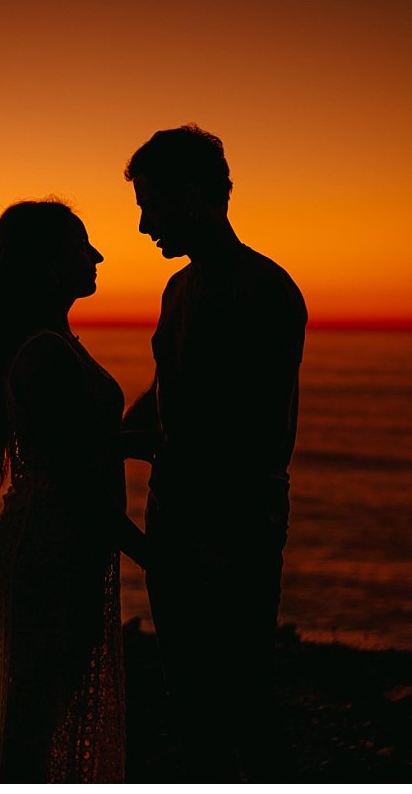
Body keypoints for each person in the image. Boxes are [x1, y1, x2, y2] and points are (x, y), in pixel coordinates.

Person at [122, 125, 307, 781]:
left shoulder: (265, 291)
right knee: (189, 702)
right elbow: (166, 392)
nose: (144, 226)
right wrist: (106, 435)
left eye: (151, 205)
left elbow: (247, 431)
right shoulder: (179, 291)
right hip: (174, 522)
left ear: (198, 195)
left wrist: (151, 451)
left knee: (243, 701)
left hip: (233, 531)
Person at [0, 199, 147, 783]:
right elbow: (74, 480)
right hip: (51, 545)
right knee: (36, 718)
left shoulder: (55, 342)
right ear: (45, 262)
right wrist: (151, 554)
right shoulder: (45, 351)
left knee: (47, 705)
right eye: (80, 245)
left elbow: (76, 444)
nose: (96, 255)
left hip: (60, 540)